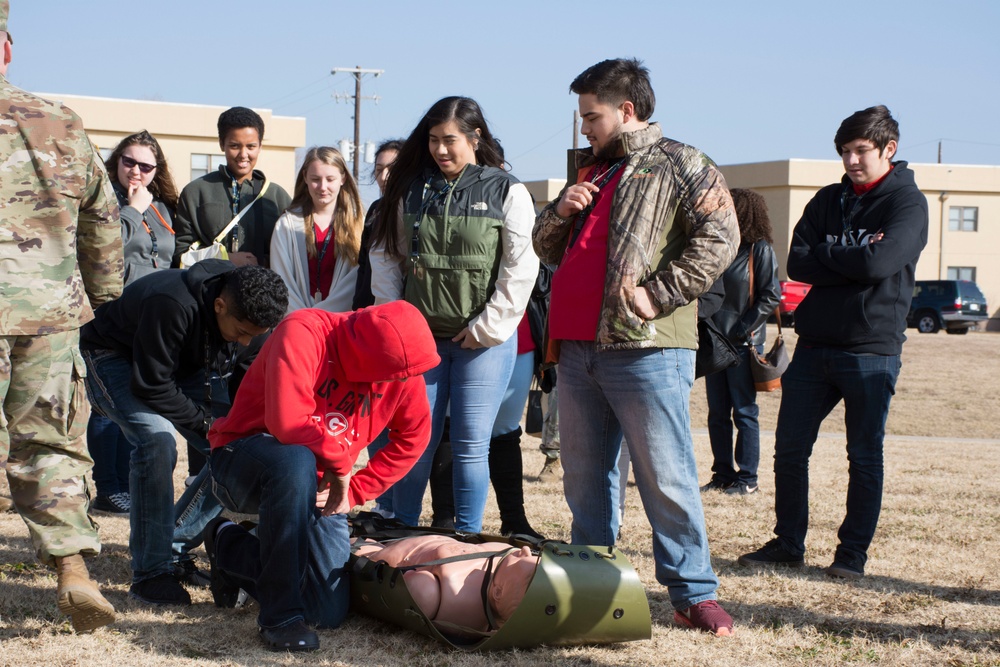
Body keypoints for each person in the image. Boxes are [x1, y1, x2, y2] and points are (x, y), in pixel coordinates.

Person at [532, 58, 739, 636]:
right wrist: (558, 212)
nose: (583, 128)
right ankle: (593, 583)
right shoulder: (591, 173)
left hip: (646, 348)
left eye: (591, 116)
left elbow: (722, 236)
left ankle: (692, 593)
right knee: (585, 476)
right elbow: (546, 249)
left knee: (665, 475)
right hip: (576, 348)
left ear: (627, 110)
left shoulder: (681, 162)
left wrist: (660, 293)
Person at [739, 105, 928, 580]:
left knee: (863, 454)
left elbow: (878, 265)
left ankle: (851, 556)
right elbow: (799, 262)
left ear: (890, 149)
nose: (851, 160)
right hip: (816, 346)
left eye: (861, 151)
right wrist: (850, 255)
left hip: (871, 350)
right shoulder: (827, 199)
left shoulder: (908, 203)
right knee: (789, 449)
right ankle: (788, 544)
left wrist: (834, 253)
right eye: (844, 151)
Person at [203, 302, 440, 652]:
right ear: (366, 353)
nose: (400, 381)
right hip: (242, 460)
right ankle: (279, 618)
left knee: (325, 609)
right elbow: (288, 423)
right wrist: (342, 466)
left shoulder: (401, 369)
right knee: (295, 459)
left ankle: (227, 543)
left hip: (319, 484)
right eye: (393, 374)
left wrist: (356, 491)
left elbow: (414, 436)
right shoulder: (305, 331)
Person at [0, 0, 123, 632]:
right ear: (7, 48)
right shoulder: (62, 125)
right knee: (50, 444)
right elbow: (102, 221)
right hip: (48, 315)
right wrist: (102, 298)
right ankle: (73, 571)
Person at [370, 96, 539, 532]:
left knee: (470, 444)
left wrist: (487, 327)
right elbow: (386, 256)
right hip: (420, 342)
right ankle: (400, 528)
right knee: (414, 442)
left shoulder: (507, 189)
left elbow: (520, 267)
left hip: (484, 343)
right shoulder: (410, 190)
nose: (440, 150)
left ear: (475, 137)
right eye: (432, 141)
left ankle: (467, 534)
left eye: (450, 141)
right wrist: (400, 324)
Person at [79, 262, 288, 605]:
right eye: (241, 331)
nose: (248, 341)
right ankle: (151, 575)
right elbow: (152, 384)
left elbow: (245, 385)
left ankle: (170, 544)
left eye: (257, 333)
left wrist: (239, 431)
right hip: (112, 355)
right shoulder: (172, 303)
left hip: (184, 364)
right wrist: (209, 427)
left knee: (241, 450)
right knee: (157, 441)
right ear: (219, 306)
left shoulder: (249, 315)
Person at [87, 130, 179, 516]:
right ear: (117, 162)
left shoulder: (163, 208)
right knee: (107, 407)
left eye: (146, 165)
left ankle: (127, 484)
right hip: (110, 317)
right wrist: (132, 209)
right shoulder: (105, 200)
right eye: (129, 162)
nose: (136, 171)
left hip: (150, 321)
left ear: (157, 170)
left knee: (140, 400)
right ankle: (107, 488)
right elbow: (107, 247)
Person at [700, 188, 781, 496]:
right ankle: (722, 474)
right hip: (713, 341)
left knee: (744, 412)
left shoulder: (758, 249)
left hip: (743, 344)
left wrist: (743, 330)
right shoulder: (720, 247)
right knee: (717, 413)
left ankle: (748, 479)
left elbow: (770, 295)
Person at [173, 106, 291, 269]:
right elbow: (181, 254)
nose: (243, 154)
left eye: (251, 146)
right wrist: (225, 259)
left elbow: (292, 253)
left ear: (260, 146)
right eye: (235, 146)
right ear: (222, 144)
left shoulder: (277, 196)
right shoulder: (196, 192)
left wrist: (261, 262)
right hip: (209, 291)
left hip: (263, 291)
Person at [353, 535, 538, 637]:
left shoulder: (459, 606)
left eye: (522, 559)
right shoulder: (506, 556)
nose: (525, 550)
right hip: (412, 545)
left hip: (399, 558)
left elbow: (416, 588)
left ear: (498, 592)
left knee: (362, 551)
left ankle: (359, 546)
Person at [270, 146, 364, 313]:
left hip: (340, 321)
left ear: (342, 178)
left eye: (330, 179)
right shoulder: (287, 225)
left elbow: (356, 280)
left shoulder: (358, 225)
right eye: (315, 179)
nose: (322, 187)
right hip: (297, 321)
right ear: (305, 177)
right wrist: (304, 319)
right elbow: (281, 279)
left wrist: (321, 316)